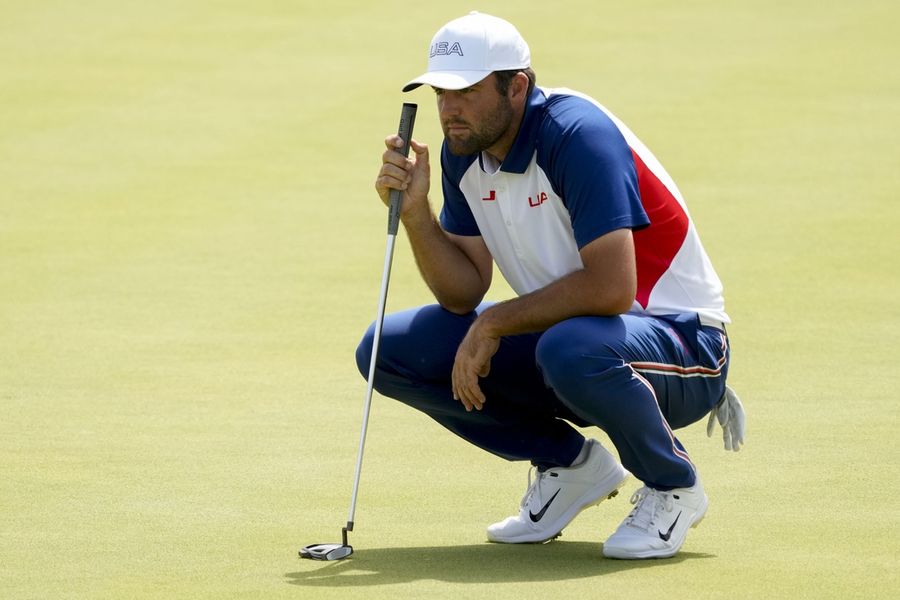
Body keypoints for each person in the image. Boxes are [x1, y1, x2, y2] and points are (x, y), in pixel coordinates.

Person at [361, 11, 746, 560]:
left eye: (466, 91)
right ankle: (572, 467)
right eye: (441, 93)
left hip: (684, 344)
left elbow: (612, 289)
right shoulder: (463, 152)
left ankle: (673, 485)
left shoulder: (576, 136)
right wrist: (418, 213)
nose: (449, 109)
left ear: (516, 87)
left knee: (570, 347)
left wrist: (495, 323)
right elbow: (463, 291)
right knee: (388, 349)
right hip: (571, 341)